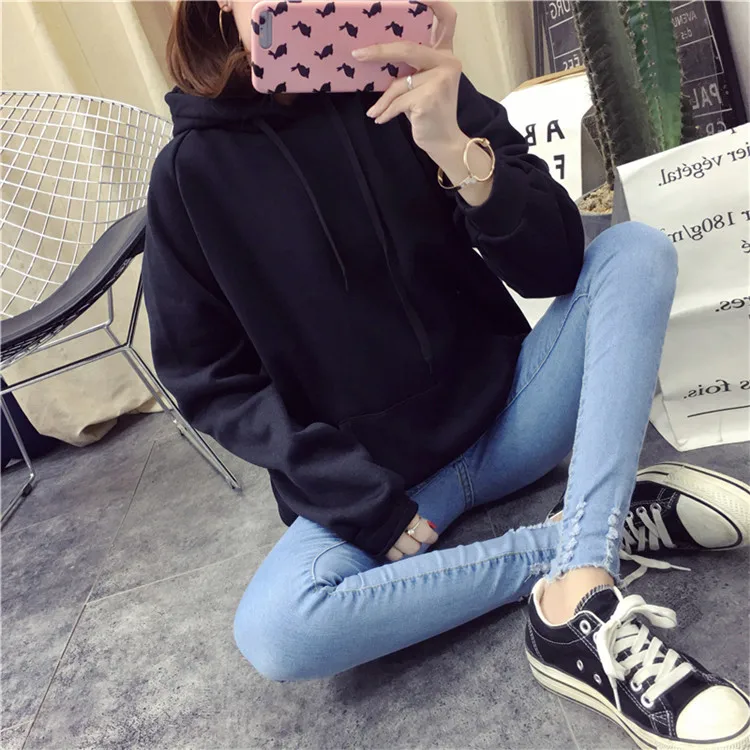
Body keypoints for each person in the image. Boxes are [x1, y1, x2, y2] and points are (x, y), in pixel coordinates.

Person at [143, 1, 750, 746]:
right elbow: (207, 377)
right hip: (388, 487)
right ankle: (588, 535)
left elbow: (558, 264)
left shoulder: (416, 84)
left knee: (637, 252)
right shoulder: (189, 177)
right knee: (280, 630)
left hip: (513, 420)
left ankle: (579, 595)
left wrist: (454, 148)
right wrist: (354, 497)